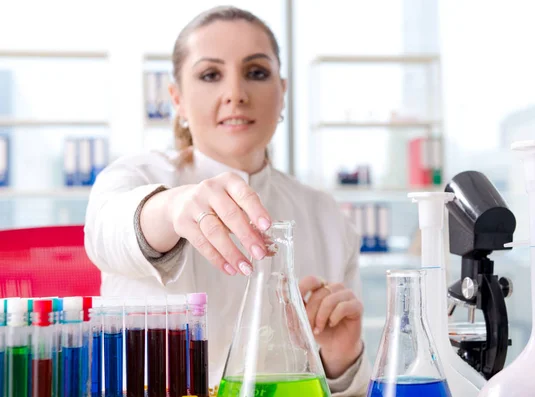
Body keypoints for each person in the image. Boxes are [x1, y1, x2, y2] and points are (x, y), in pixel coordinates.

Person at [84, 5, 370, 396]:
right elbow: (105, 233)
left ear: (282, 92)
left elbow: (348, 389)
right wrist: (171, 209)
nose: (235, 94)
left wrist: (340, 361)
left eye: (255, 72)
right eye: (210, 75)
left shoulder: (324, 215)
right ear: (178, 99)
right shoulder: (135, 178)